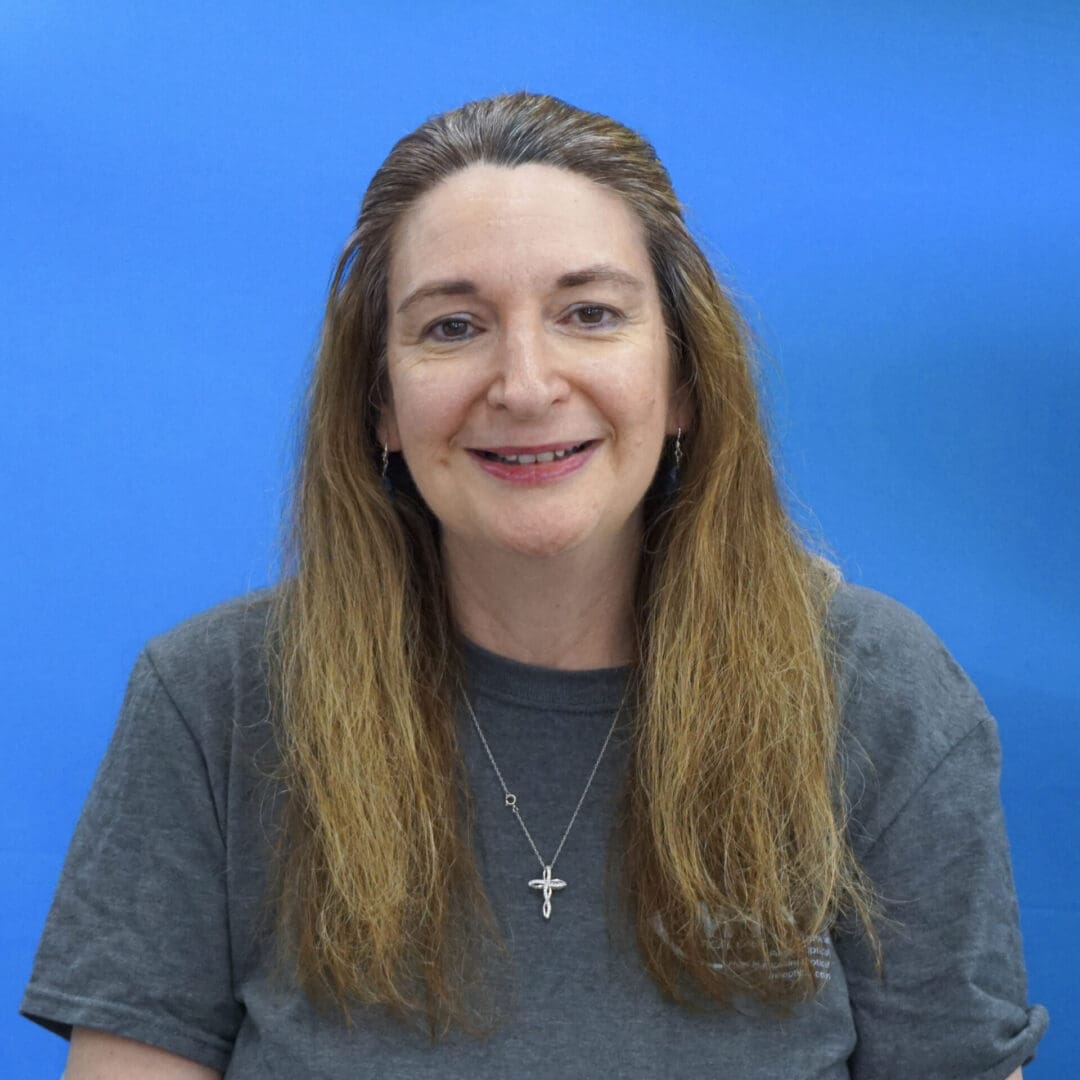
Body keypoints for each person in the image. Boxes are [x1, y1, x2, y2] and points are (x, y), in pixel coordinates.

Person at [22, 92, 1047, 1079]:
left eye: (589, 313)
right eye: (453, 327)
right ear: (379, 403)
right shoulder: (214, 704)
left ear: (684, 379)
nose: (524, 383)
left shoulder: (881, 698)